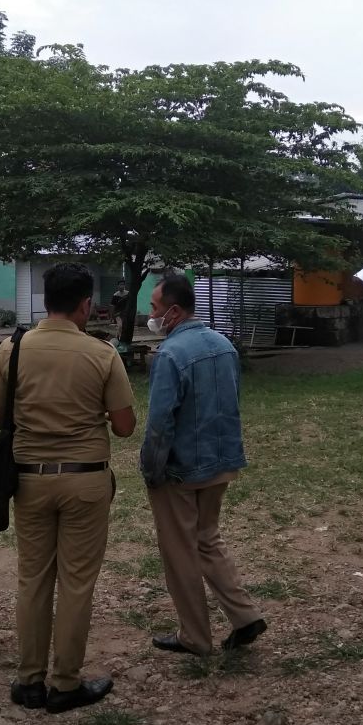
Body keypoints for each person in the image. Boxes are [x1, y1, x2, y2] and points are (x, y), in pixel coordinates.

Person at [0, 262, 136, 714]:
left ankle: (28, 679)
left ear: (44, 301)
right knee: (76, 583)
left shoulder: (12, 349)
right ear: (86, 304)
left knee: (33, 579)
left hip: (29, 479)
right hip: (85, 480)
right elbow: (125, 426)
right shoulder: (102, 354)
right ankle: (65, 682)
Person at [139, 274, 266, 657]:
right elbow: (234, 401)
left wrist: (151, 470)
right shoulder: (224, 345)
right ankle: (245, 616)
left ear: (174, 312)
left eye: (155, 308)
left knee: (180, 554)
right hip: (221, 462)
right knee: (207, 539)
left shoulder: (170, 354)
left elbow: (160, 423)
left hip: (179, 471)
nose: (152, 315)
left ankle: (194, 636)